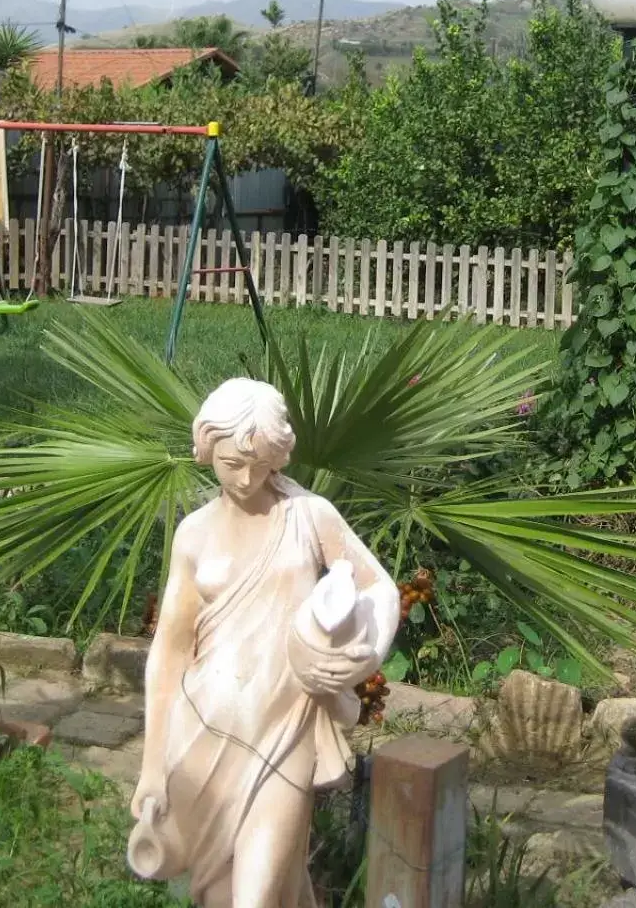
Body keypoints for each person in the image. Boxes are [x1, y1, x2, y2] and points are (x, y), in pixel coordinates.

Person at [128, 378, 398, 907]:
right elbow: (170, 652)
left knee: (254, 894)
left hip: (284, 732)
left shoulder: (308, 514)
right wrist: (152, 766)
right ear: (207, 450)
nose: (248, 478)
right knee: (227, 895)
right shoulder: (195, 535)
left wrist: (362, 657)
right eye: (232, 463)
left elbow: (379, 586)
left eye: (260, 463)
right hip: (204, 730)